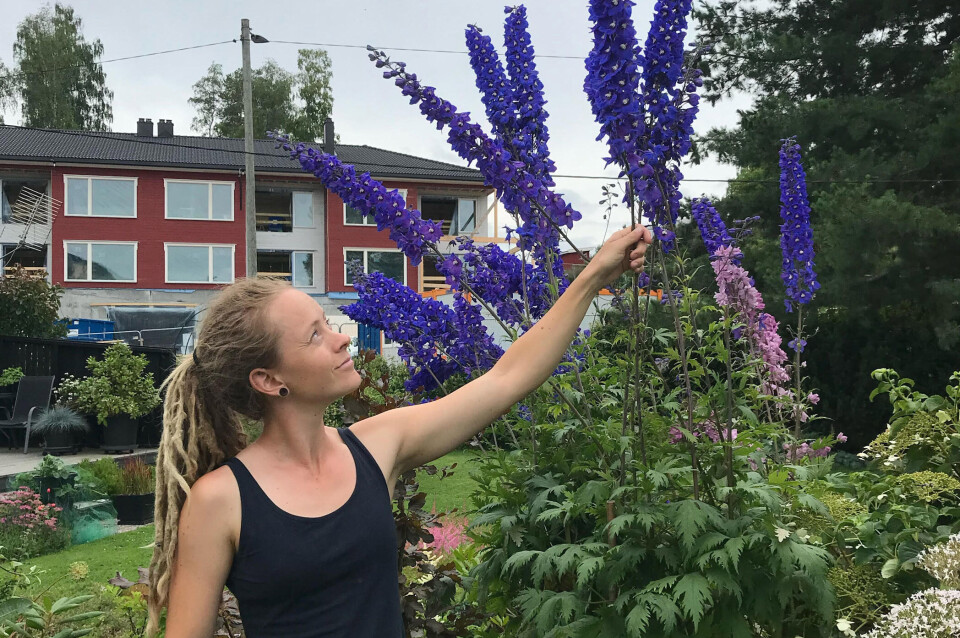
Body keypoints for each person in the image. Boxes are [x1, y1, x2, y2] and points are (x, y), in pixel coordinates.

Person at [148, 224, 652, 638]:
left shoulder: (377, 446)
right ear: (269, 379)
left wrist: (592, 275)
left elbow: (508, 377)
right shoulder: (222, 500)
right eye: (315, 336)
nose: (342, 339)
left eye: (328, 322)